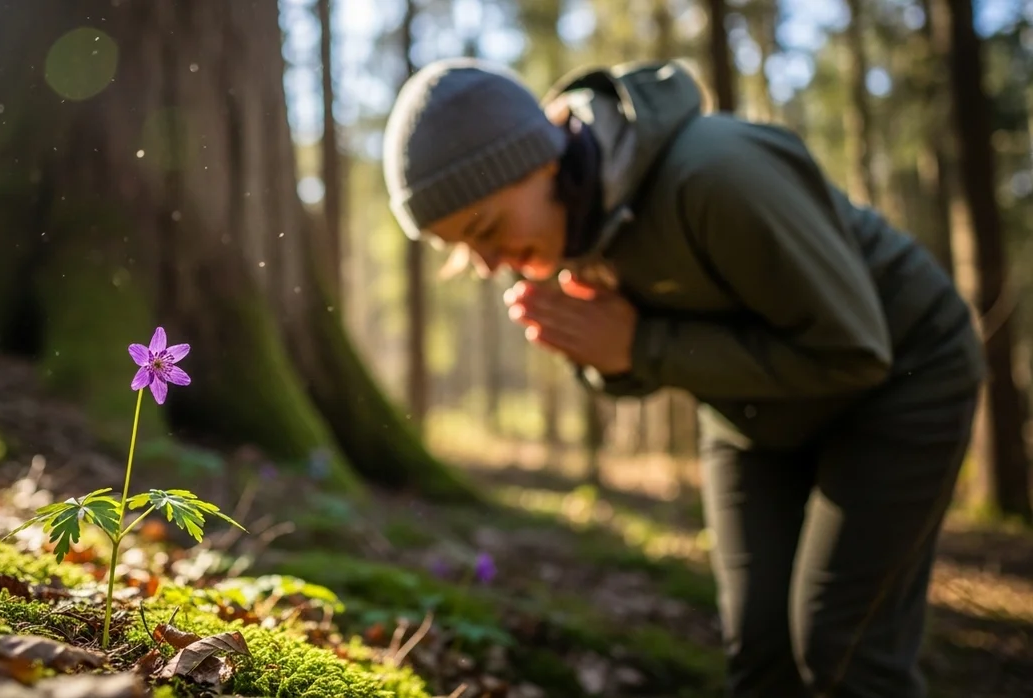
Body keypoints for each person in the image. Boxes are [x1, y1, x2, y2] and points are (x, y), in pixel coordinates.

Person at [381, 57, 986, 698]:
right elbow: (642, 368)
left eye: (485, 230)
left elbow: (853, 352)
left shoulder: (715, 173)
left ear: (540, 160)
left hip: (903, 380)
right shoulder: (567, 235)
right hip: (754, 410)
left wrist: (640, 344)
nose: (487, 264)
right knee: (759, 651)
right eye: (463, 250)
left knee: (843, 648)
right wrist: (606, 352)